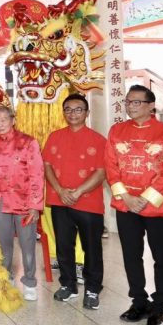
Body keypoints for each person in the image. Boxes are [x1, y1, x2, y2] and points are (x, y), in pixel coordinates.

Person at [105, 85, 163, 325]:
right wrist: (127, 197)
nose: (131, 106)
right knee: (131, 254)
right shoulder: (117, 130)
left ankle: (159, 307)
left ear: (151, 105)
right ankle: (138, 301)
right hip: (126, 204)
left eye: (136, 102)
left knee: (162, 257)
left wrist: (146, 198)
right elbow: (111, 166)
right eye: (128, 102)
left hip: (158, 206)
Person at [43, 94, 107, 311]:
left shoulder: (98, 140)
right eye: (68, 109)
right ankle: (68, 285)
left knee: (92, 248)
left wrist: (78, 192)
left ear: (87, 113)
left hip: (88, 202)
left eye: (78, 109)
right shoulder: (55, 137)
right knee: (63, 246)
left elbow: (101, 172)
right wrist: (60, 190)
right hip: (60, 200)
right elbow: (47, 165)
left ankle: (92, 289)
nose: (73, 113)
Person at [0, 105, 44, 302]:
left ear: (13, 120)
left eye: (4, 120)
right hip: (1, 200)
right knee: (3, 243)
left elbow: (37, 174)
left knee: (27, 243)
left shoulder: (28, 142)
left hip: (24, 201)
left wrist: (35, 205)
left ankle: (29, 282)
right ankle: (6, 277)